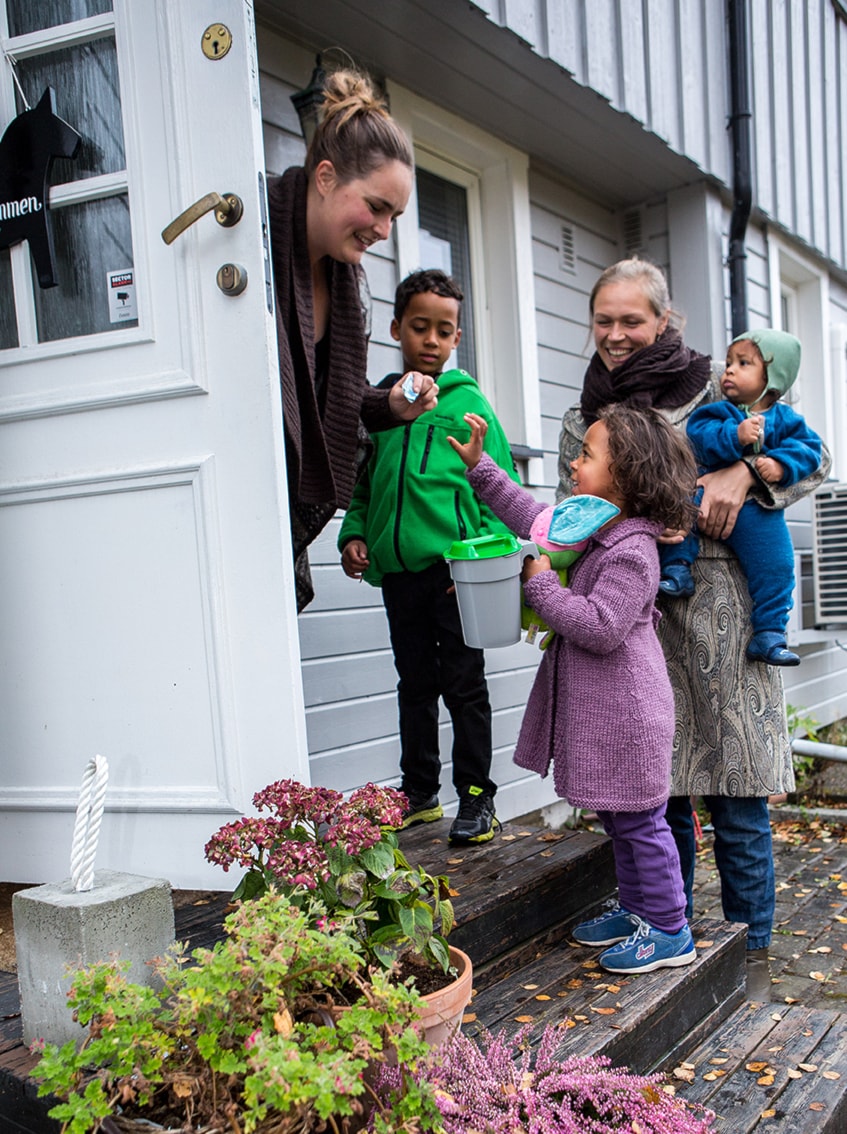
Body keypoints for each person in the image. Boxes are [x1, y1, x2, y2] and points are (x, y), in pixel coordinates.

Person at [556, 258, 831, 999]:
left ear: (664, 321)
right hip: (637, 623)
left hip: (727, 615)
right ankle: (659, 920)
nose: (615, 336)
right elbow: (571, 508)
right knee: (657, 788)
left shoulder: (722, 381)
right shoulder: (582, 412)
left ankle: (752, 952)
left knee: (736, 791)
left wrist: (747, 475)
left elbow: (815, 456)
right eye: (602, 321)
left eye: (631, 320)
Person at [450, 404, 701, 973]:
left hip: (631, 715)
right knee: (619, 818)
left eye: (587, 455)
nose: (573, 460)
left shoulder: (632, 552)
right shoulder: (595, 529)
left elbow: (600, 626)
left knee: (640, 820)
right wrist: (481, 468)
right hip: (609, 712)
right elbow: (534, 517)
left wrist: (540, 588)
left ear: (627, 476)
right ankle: (640, 910)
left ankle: (670, 930)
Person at [338, 269, 518, 843]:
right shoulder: (385, 409)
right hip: (400, 576)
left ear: (457, 337)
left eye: (445, 330)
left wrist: (481, 569)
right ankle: (418, 792)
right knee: (413, 683)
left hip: (454, 575)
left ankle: (476, 797)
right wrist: (354, 534)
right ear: (396, 328)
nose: (432, 340)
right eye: (420, 327)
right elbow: (364, 486)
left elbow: (498, 489)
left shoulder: (469, 406)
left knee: (464, 685)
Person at [267, 67, 438, 612]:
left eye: (396, 215)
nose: (385, 230)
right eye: (376, 206)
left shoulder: (344, 276)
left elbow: (331, 398)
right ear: (324, 177)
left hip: (276, 498)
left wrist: (388, 403)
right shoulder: (254, 237)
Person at [659, 329, 823, 667]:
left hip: (756, 509)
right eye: (730, 362)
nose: (729, 370)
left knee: (778, 563)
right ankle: (677, 569)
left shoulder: (787, 421)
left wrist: (780, 464)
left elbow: (811, 452)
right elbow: (698, 440)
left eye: (743, 363)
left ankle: (770, 634)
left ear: (772, 378)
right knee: (677, 511)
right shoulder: (716, 412)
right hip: (702, 491)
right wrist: (734, 436)